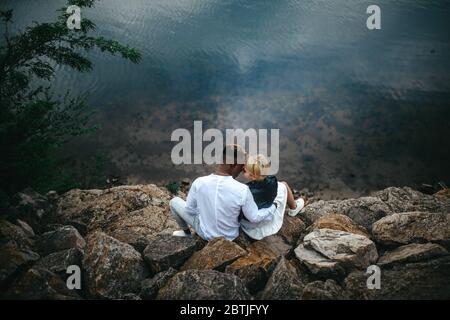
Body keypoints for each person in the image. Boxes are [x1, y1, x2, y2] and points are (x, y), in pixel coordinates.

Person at [169, 144, 277, 241]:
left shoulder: (199, 182)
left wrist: (206, 210)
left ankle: (186, 233)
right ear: (233, 165)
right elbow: (254, 217)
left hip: (205, 234)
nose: (242, 170)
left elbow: (189, 210)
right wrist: (272, 208)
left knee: (174, 201)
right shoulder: (242, 190)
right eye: (241, 166)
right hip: (230, 237)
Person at [240, 154, 305, 240]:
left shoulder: (247, 191)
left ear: (252, 176)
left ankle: (292, 207)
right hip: (266, 218)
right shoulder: (272, 181)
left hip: (252, 226)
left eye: (244, 170)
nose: (242, 170)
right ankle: (294, 208)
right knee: (283, 185)